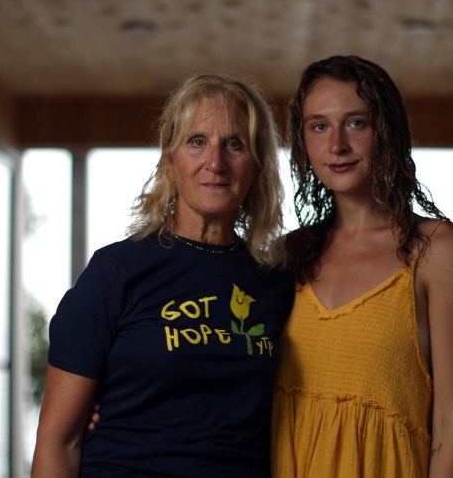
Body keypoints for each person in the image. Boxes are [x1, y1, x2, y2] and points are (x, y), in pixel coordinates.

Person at [31, 74, 295, 477]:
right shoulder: (116, 271)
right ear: (170, 159)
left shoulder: (275, 282)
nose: (215, 162)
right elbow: (58, 441)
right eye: (197, 142)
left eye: (235, 144)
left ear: (257, 164)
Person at [271, 55, 453, 477]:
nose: (336, 145)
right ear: (303, 140)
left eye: (356, 123)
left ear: (386, 130)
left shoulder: (439, 253)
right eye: (319, 126)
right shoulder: (286, 254)